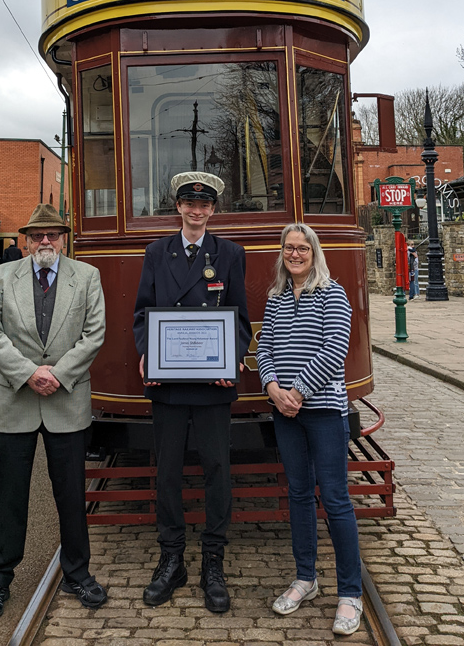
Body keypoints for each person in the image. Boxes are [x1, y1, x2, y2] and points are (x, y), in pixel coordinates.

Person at [0, 203, 106, 622]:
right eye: (37, 235)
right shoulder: (0, 277)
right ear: (26, 240)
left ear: (63, 238)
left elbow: (94, 333)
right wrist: (30, 373)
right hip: (15, 400)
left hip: (66, 400)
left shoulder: (86, 277)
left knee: (71, 494)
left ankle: (78, 573)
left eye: (52, 234)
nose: (45, 241)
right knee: (9, 494)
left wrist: (57, 375)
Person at [133, 172, 252, 613]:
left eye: (204, 205)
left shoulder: (230, 254)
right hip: (167, 383)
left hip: (212, 384)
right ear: (177, 207)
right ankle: (172, 560)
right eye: (189, 203)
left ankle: (213, 563)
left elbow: (239, 317)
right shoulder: (156, 252)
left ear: (213, 211)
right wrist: (148, 353)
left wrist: (233, 357)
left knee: (217, 470)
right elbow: (143, 312)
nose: (197, 211)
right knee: (166, 472)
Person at [256, 223, 363, 636]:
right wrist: (272, 388)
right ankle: (306, 579)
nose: (295, 254)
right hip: (285, 413)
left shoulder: (332, 293)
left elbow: (335, 348)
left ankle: (350, 593)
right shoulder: (276, 298)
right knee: (298, 494)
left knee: (336, 499)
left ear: (314, 253)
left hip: (322, 412)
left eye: (302, 248)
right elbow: (263, 347)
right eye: (289, 248)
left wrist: (296, 391)